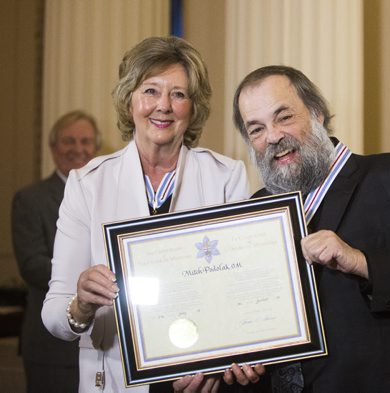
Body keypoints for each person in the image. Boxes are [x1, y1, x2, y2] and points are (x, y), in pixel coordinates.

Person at [230, 65, 390, 393]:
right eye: (256, 129)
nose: (273, 136)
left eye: (284, 117)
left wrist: (359, 261)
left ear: (317, 114)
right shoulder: (257, 207)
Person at [41, 36, 264, 393]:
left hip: (197, 380)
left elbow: (240, 295)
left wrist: (216, 364)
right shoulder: (88, 184)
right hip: (114, 378)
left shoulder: (226, 177)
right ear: (129, 100)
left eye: (178, 94)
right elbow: (54, 316)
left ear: (193, 107)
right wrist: (81, 304)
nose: (163, 106)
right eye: (150, 91)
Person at [11, 109, 101, 393]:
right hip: (51, 349)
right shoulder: (30, 199)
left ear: (96, 149)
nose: (78, 149)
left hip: (103, 343)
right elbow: (32, 265)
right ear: (53, 148)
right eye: (69, 141)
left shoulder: (105, 196)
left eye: (86, 142)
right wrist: (89, 279)